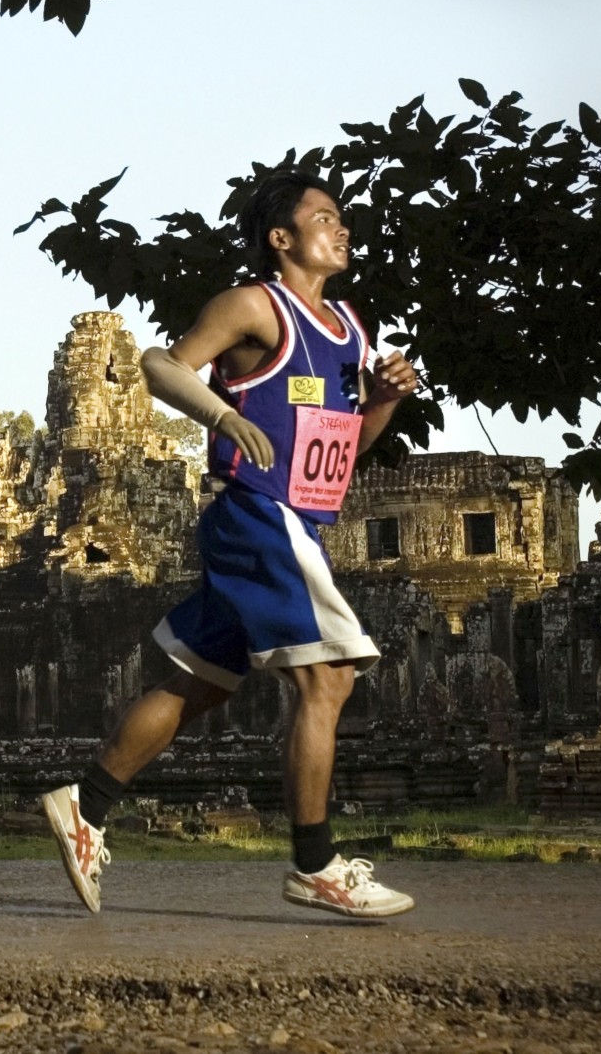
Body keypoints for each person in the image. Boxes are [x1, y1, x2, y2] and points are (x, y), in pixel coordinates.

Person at [40, 171, 420, 919]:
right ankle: (316, 863)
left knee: (202, 682)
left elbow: (347, 447)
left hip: (297, 521)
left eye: (342, 220)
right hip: (259, 513)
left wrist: (381, 402)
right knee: (330, 677)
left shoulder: (349, 326)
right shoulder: (255, 305)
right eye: (324, 218)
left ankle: (86, 802)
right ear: (283, 238)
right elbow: (161, 365)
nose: (341, 230)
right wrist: (222, 418)